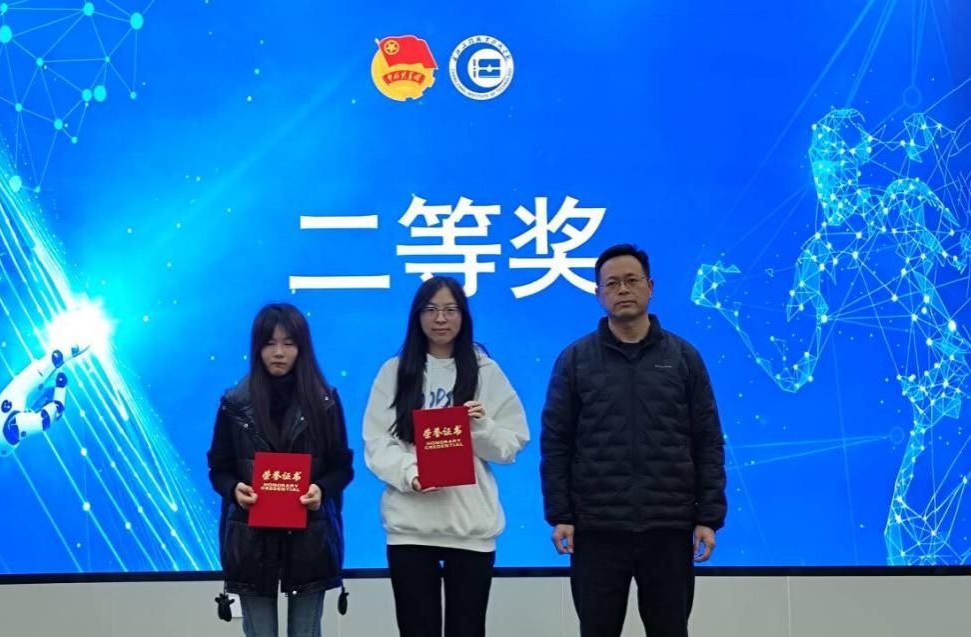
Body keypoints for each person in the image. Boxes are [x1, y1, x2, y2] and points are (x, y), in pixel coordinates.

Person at [540, 244, 727, 637]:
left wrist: (708, 518)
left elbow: (707, 440)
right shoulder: (575, 360)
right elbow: (556, 443)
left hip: (668, 527)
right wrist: (561, 515)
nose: (622, 290)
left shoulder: (683, 358)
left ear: (650, 287)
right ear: (598, 294)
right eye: (611, 284)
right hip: (597, 529)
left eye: (631, 280)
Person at [363, 276, 530, 637]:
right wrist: (412, 474)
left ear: (464, 316)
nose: (441, 319)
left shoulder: (486, 371)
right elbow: (377, 442)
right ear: (417, 316)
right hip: (410, 530)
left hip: (470, 528)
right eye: (431, 309)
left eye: (451, 310)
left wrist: (480, 427)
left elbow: (511, 445)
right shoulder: (394, 372)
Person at [208, 303, 354, 637]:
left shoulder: (325, 402)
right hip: (250, 539)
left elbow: (342, 468)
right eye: (269, 343)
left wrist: (321, 490)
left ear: (302, 348)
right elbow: (219, 468)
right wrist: (234, 490)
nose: (278, 353)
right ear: (257, 347)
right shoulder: (234, 404)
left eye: (288, 343)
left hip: (311, 538)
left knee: (306, 632)